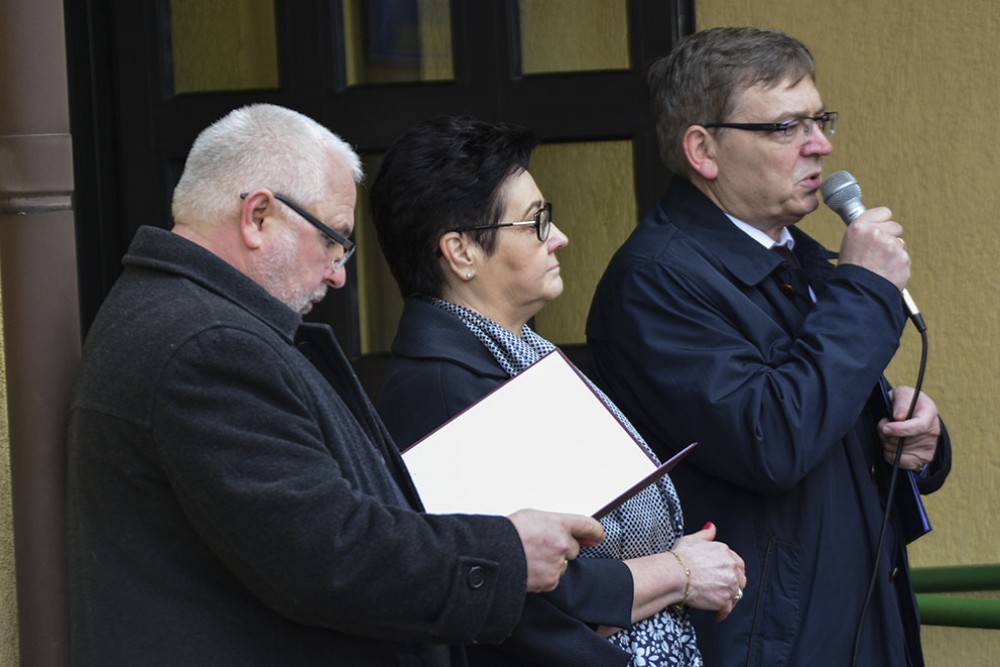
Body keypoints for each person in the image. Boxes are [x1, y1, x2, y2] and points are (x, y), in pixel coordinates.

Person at [65, 103, 609, 667]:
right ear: (257, 216)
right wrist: (507, 553)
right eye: (332, 239)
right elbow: (328, 553)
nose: (339, 272)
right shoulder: (207, 346)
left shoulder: (181, 317)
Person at [586, 27, 951, 667]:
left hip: (858, 624)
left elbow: (824, 412)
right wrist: (865, 292)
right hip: (768, 641)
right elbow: (771, 440)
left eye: (819, 120)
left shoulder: (797, 257)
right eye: (786, 127)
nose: (821, 145)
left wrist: (917, 445)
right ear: (703, 150)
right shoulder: (655, 281)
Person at [369, 114, 746, 666]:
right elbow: (516, 598)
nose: (560, 237)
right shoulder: (440, 388)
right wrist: (676, 574)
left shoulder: (516, 350)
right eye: (536, 222)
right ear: (461, 252)